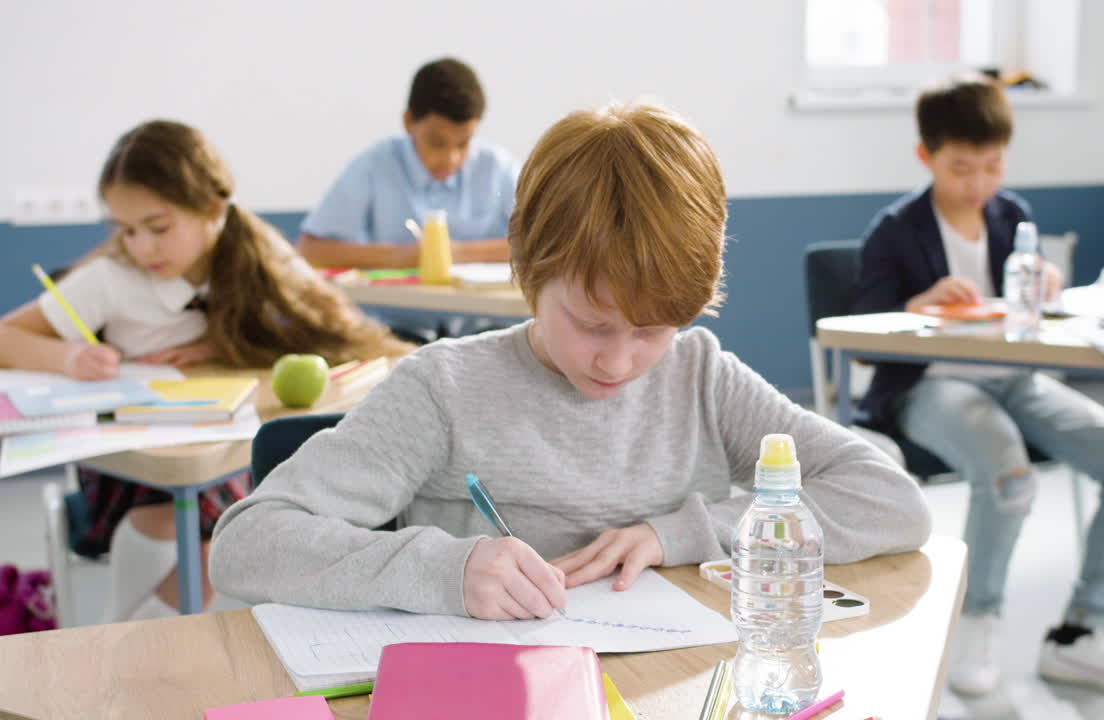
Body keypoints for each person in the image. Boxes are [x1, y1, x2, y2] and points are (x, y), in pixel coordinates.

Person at [210, 102, 931, 621]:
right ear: (527, 265)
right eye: (591, 323)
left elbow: (890, 501)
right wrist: (442, 569)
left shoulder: (701, 376)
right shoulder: (445, 388)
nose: (619, 362)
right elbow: (246, 543)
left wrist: (675, 533)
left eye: (654, 329)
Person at [0, 120, 410, 622]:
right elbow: (6, 336)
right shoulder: (110, 279)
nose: (141, 247)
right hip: (136, 461)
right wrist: (67, 358)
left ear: (212, 210)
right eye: (126, 230)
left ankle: (134, 636)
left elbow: (333, 325)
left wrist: (227, 339)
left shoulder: (256, 254)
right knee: (187, 527)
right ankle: (127, 633)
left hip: (220, 448)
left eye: (158, 227)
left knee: (241, 524)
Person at [851, 75, 1104, 698]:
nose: (979, 183)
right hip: (929, 387)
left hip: (1016, 379)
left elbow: (1027, 315)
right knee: (1009, 474)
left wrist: (1046, 283)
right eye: (961, 168)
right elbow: (862, 335)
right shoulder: (894, 229)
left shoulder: (1013, 215)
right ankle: (978, 622)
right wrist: (920, 304)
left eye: (992, 166)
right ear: (926, 158)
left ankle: (1082, 636)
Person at [297, 57, 517, 270]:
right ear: (409, 121)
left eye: (463, 144)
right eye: (436, 143)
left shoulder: (497, 167)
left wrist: (453, 253)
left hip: (477, 307)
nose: (451, 159)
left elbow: (546, 244)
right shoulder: (374, 165)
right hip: (396, 307)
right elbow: (309, 249)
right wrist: (399, 255)